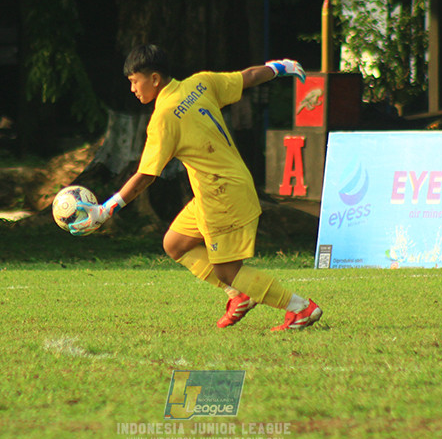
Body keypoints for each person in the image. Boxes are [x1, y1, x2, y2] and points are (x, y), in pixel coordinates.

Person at [69, 44, 323, 331]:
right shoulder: (200, 83)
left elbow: (146, 175)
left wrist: (106, 209)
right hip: (218, 189)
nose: (132, 89)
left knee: (227, 270)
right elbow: (248, 77)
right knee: (174, 244)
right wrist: (279, 68)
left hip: (222, 194)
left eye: (134, 81)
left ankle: (300, 308)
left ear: (154, 79)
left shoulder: (164, 117)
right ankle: (238, 296)